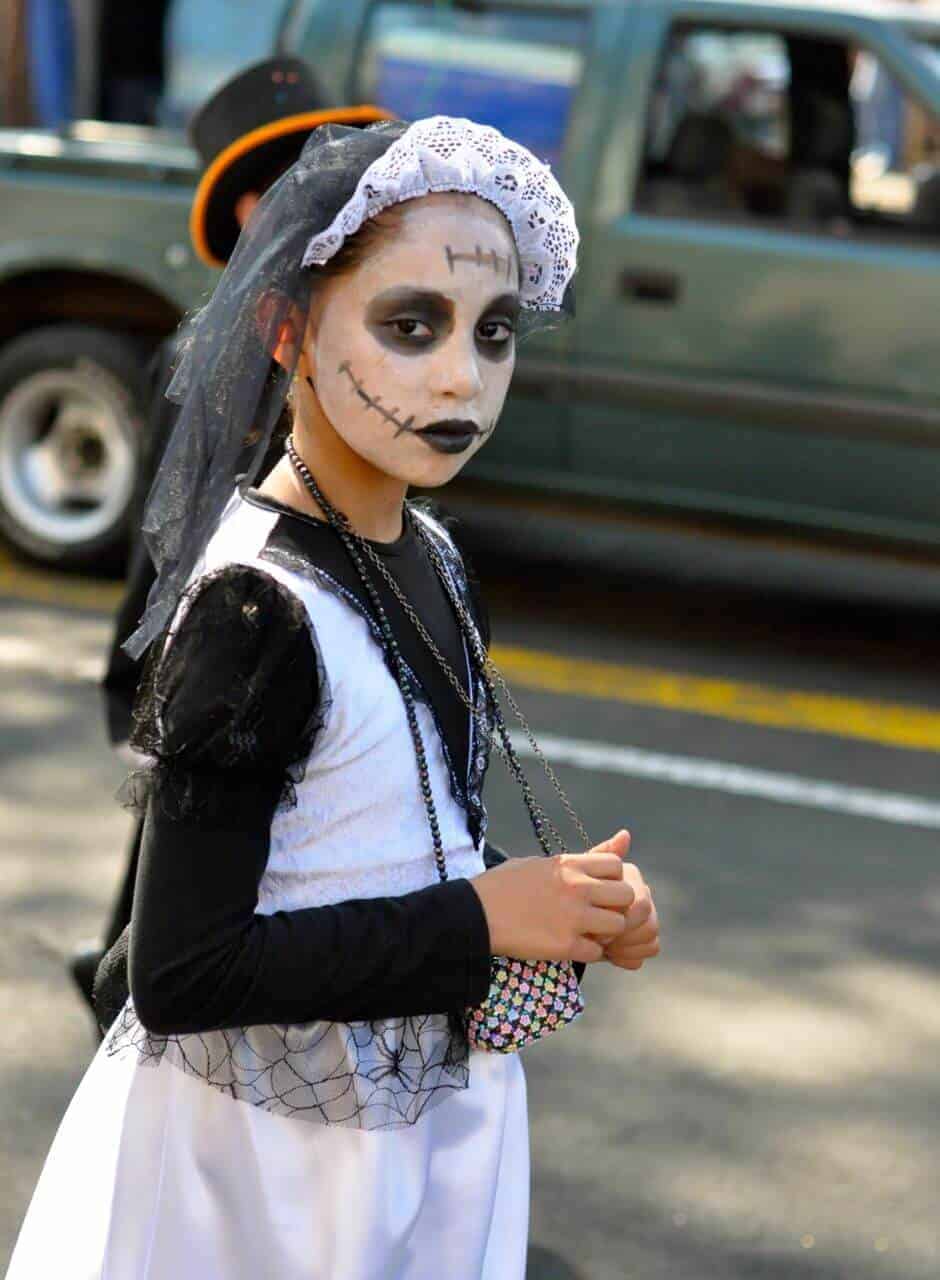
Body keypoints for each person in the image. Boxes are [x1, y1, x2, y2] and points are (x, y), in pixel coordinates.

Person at [11, 114, 660, 1279]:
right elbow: (175, 973)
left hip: (406, 1130)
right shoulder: (255, 613)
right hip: (262, 1174)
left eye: (496, 330)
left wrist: (563, 900)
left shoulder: (437, 553)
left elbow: (395, 831)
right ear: (286, 329)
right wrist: (480, 917)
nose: (463, 374)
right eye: (410, 326)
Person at [68, 57, 392, 1016]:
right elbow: (167, 551)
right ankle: (118, 1000)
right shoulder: (211, 357)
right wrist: (142, 692)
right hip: (223, 671)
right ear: (254, 211)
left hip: (319, 671)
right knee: (177, 904)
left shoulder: (361, 336)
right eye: (307, 185)